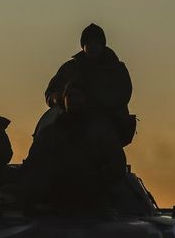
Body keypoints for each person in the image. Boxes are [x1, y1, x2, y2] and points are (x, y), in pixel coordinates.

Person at [20, 80, 127, 208]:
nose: (74, 100)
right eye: (70, 96)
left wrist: (94, 182)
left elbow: (117, 165)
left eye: (78, 96)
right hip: (54, 204)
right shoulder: (50, 133)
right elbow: (34, 165)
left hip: (92, 205)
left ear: (86, 99)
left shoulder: (100, 132)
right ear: (64, 100)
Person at [38, 23, 135, 145]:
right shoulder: (70, 68)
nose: (92, 46)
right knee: (45, 137)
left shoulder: (116, 69)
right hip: (70, 116)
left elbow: (123, 94)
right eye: (89, 43)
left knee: (109, 147)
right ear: (83, 45)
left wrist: (95, 101)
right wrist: (60, 99)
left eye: (96, 43)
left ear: (102, 45)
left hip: (106, 120)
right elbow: (51, 92)